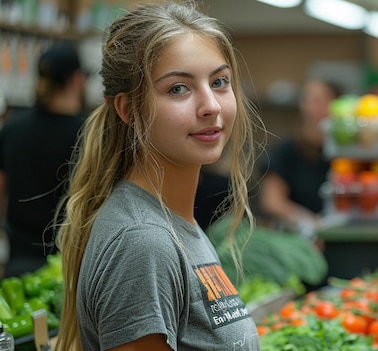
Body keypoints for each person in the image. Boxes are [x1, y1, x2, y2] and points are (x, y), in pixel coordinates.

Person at [54, 2, 263, 350]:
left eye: (219, 81)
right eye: (178, 88)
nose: (211, 104)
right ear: (128, 109)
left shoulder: (174, 223)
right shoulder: (143, 243)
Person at [0, 43, 87, 277]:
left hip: (17, 264)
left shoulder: (12, 128)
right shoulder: (87, 136)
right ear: (78, 79)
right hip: (67, 267)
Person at [257, 79, 342, 239]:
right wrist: (308, 221)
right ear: (303, 106)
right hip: (295, 239)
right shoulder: (284, 152)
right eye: (313, 101)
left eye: (326, 101)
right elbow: (272, 202)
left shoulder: (345, 154)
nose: (319, 108)